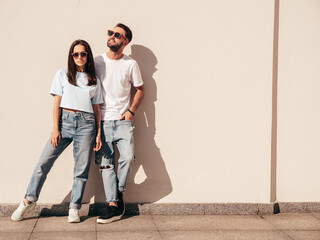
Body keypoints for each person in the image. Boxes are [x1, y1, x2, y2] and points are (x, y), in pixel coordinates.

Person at [11, 39, 103, 223]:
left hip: (87, 125)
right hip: (65, 123)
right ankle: (28, 200)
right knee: (43, 163)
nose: (79, 57)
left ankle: (74, 208)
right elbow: (56, 104)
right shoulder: (63, 75)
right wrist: (55, 129)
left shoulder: (94, 80)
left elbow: (97, 109)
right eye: (76, 54)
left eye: (83, 54)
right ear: (71, 56)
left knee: (81, 170)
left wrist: (99, 132)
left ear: (88, 56)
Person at [94, 23, 144, 224]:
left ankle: (117, 193)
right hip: (102, 122)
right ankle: (113, 205)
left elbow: (140, 89)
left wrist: (131, 111)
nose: (112, 36)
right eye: (110, 33)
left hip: (123, 121)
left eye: (117, 34)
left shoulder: (130, 64)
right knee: (106, 165)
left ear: (125, 41)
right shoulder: (97, 61)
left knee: (128, 158)